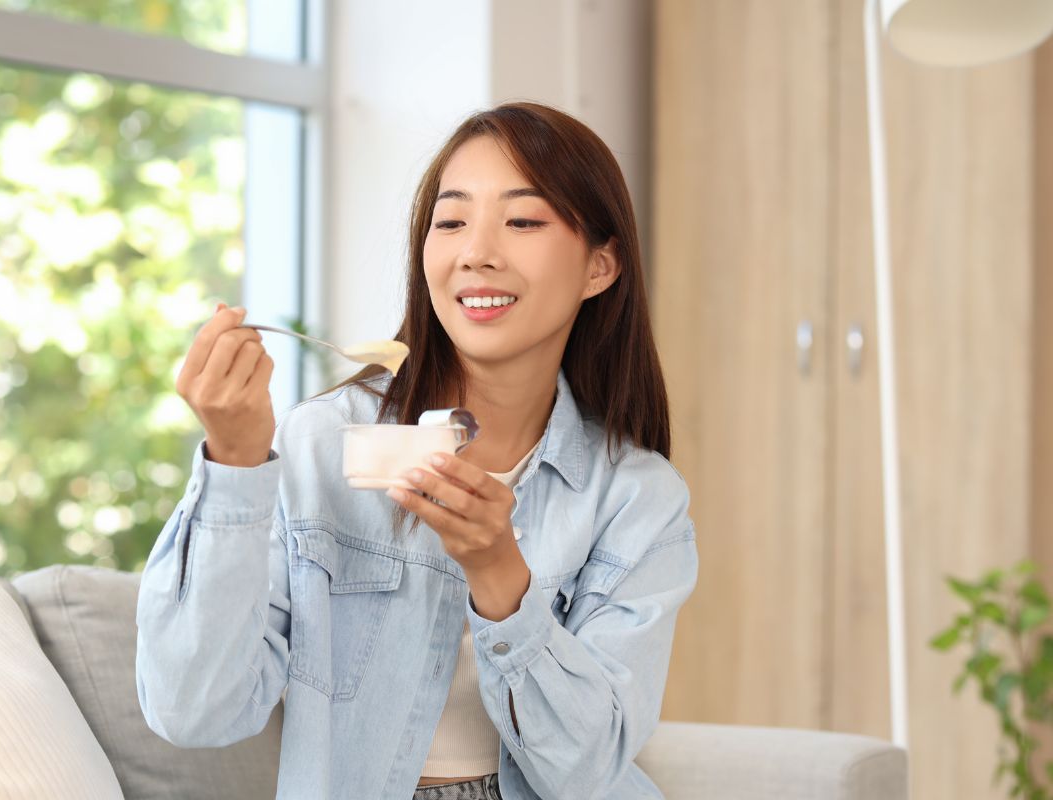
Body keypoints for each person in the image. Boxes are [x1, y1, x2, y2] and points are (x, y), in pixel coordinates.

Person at [134, 101, 699, 800]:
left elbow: (588, 768)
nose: (476, 252)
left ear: (600, 266)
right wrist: (235, 463)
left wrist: (500, 580)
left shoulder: (639, 499)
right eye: (452, 221)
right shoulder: (323, 446)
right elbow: (193, 710)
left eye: (522, 221)